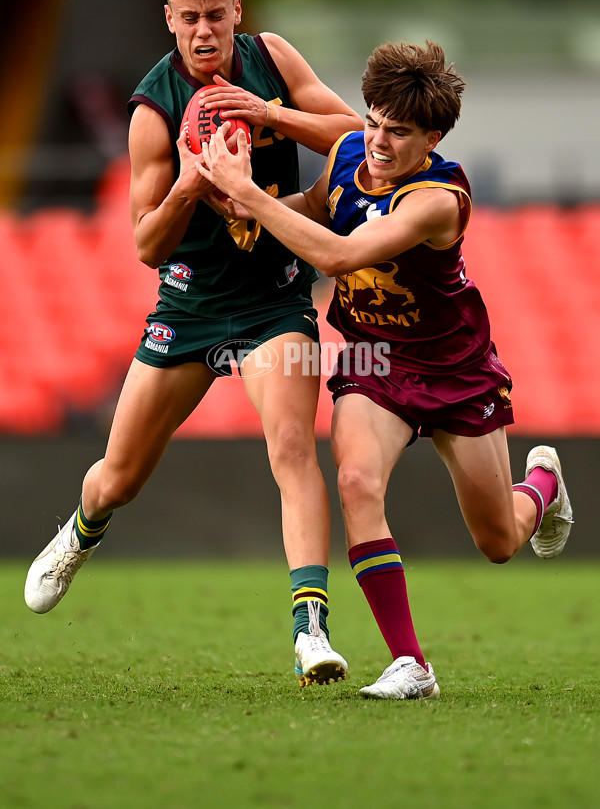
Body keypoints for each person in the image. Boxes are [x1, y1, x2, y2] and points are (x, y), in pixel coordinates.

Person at [24, 0, 364, 688]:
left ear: (237, 12)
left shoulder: (270, 59)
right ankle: (80, 533)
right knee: (116, 479)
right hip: (190, 304)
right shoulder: (153, 108)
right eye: (190, 18)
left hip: (274, 296)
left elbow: (354, 135)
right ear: (169, 20)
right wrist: (189, 180)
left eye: (217, 15)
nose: (205, 31)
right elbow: (145, 244)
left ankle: (311, 626)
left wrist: (266, 115)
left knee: (292, 451)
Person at [195, 39, 574, 701]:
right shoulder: (347, 153)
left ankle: (540, 483)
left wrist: (250, 196)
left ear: (431, 137)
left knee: (500, 542)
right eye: (371, 120)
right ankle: (411, 664)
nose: (376, 140)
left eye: (396, 132)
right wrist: (245, 208)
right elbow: (319, 210)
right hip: (377, 360)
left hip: (455, 369)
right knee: (356, 482)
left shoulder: (437, 199)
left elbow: (340, 256)